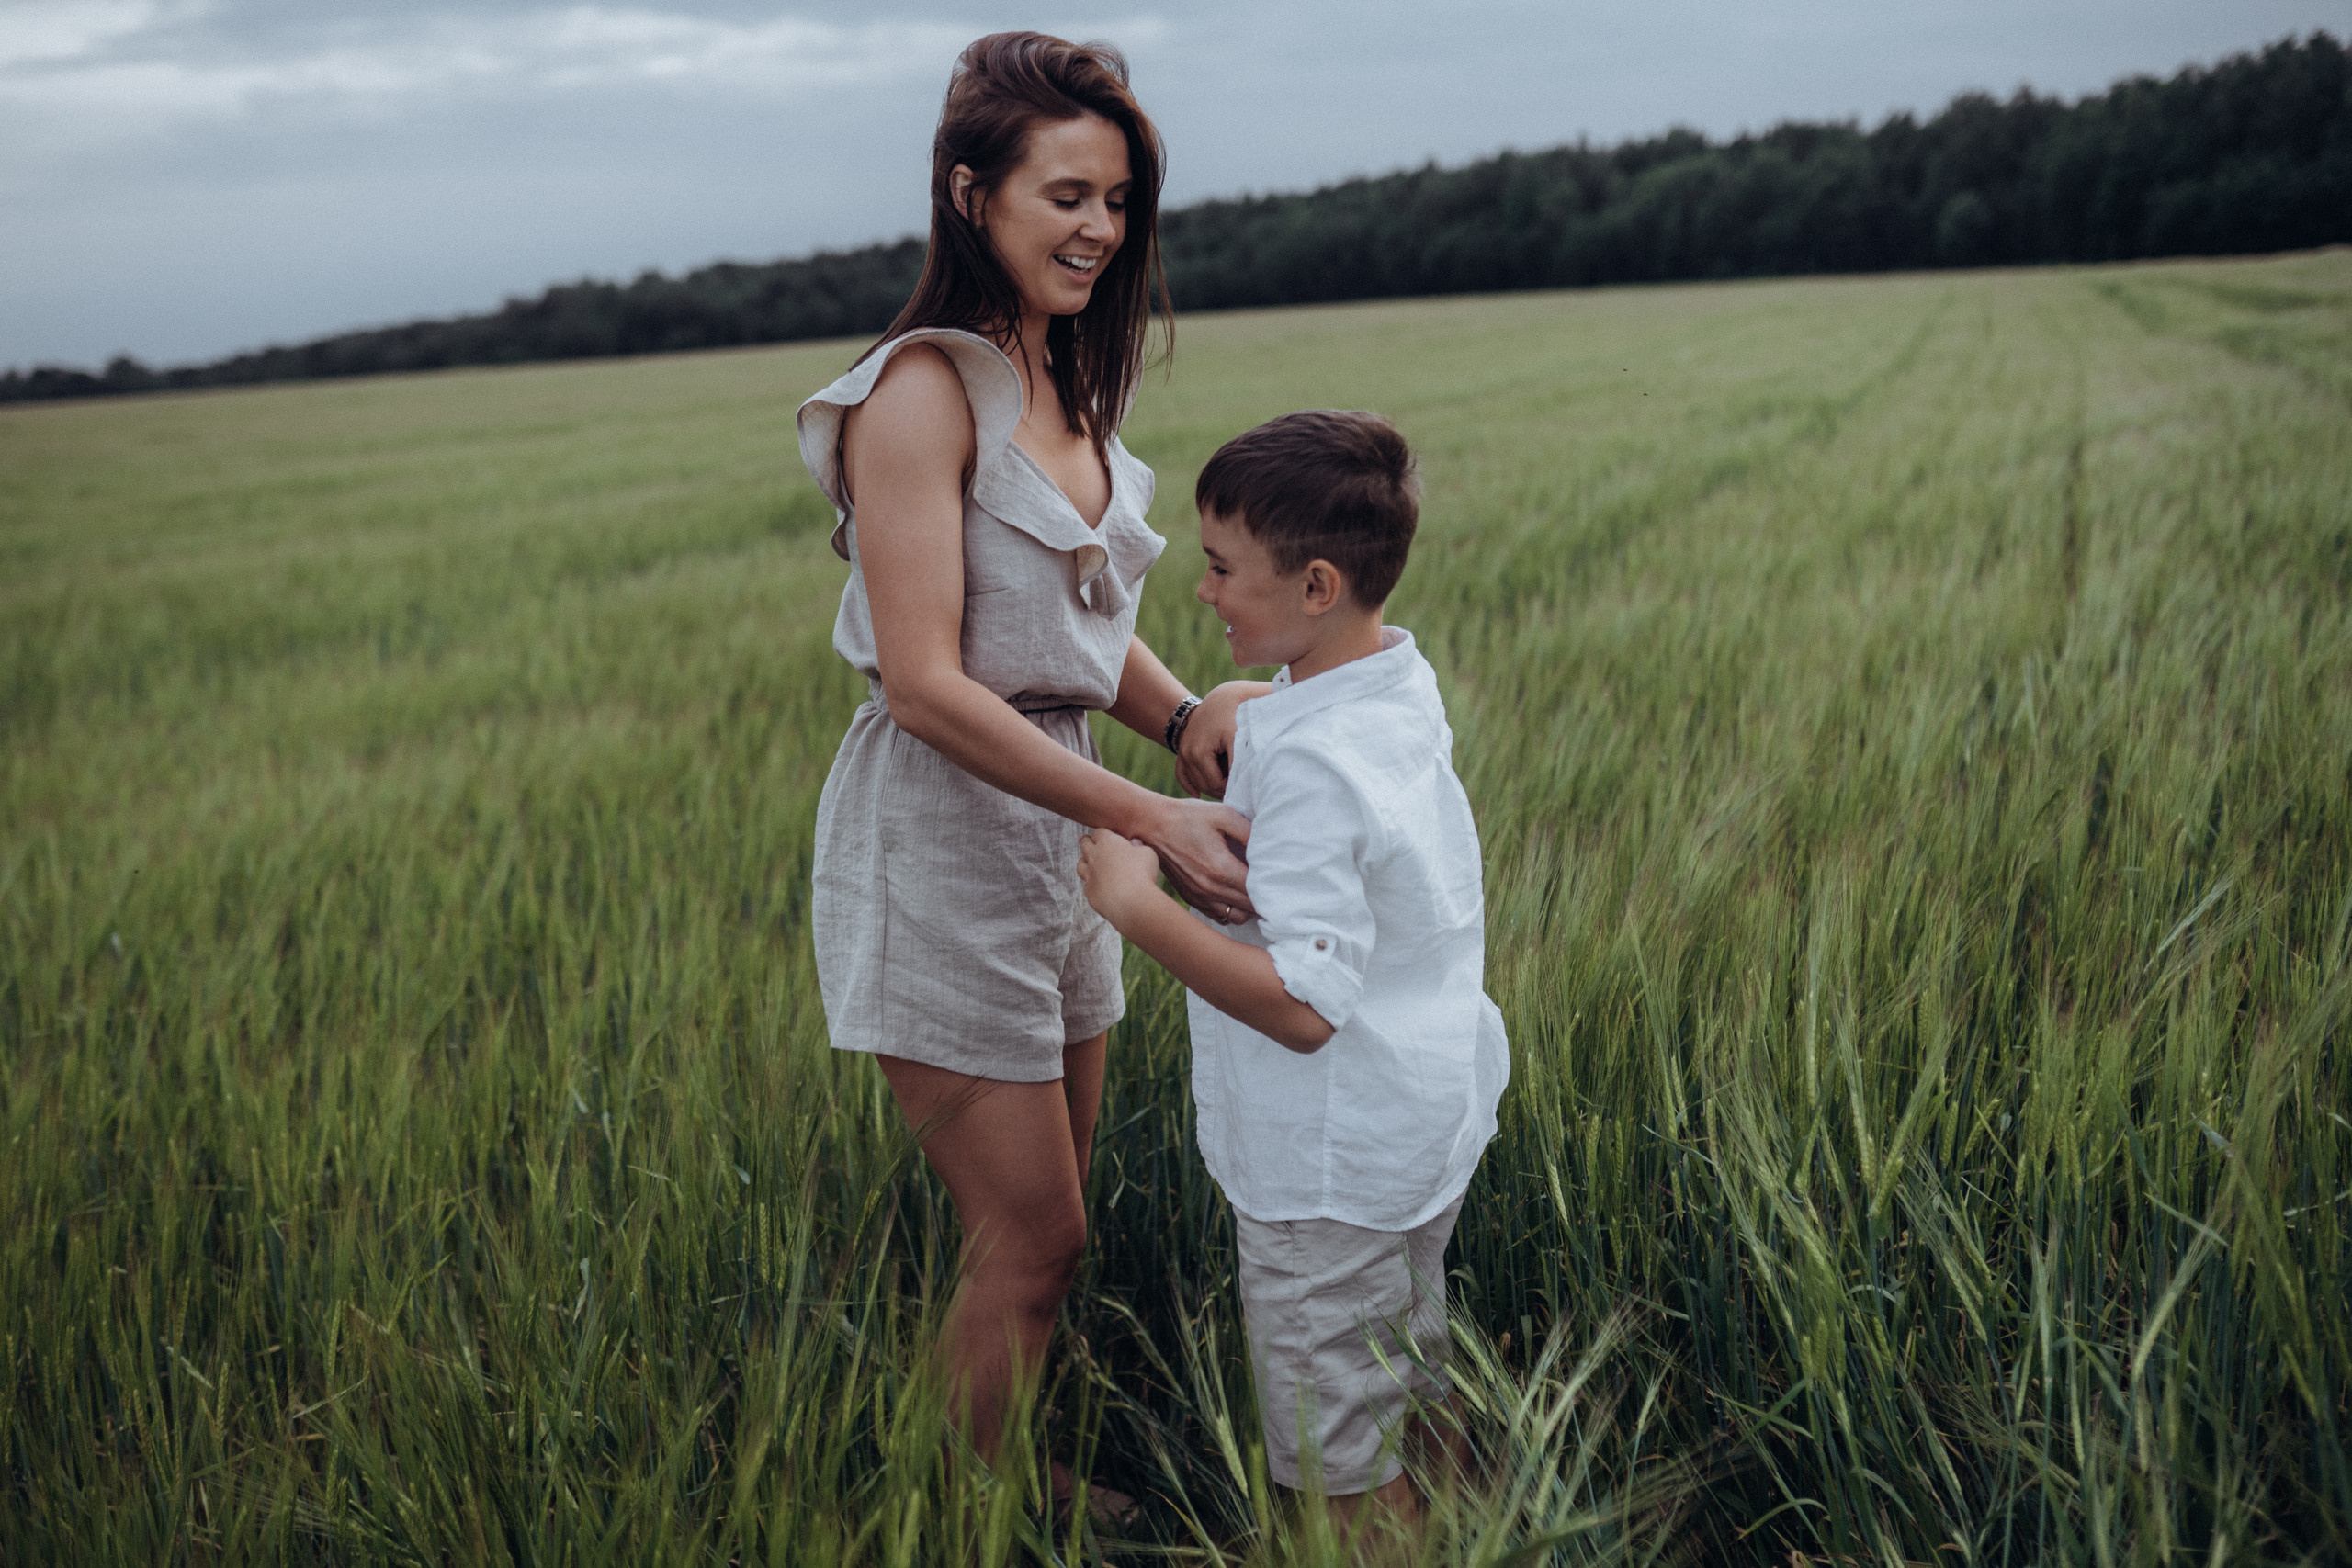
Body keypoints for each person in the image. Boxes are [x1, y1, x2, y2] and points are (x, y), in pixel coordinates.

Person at [792, 32, 1258, 1492]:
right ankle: (954, 1511)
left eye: (1118, 202)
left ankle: (1014, 1484)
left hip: (1063, 834)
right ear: (968, 192)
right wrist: (1152, 812)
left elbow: (1068, 630)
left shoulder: (1063, 377)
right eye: (1066, 194)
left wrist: (1189, 720)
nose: (1099, 231)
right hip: (942, 838)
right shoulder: (923, 390)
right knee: (1033, 1234)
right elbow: (929, 683)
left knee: (1058, 1229)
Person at [1077, 411, 1510, 1538]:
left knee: (1333, 1469)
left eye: (1223, 570)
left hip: (1325, 1171)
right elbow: (1331, 737)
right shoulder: (1387, 683)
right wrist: (1237, 700)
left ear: (1316, 586)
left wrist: (1136, 906)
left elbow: (1306, 1009)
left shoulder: (1314, 766)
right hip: (1412, 1131)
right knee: (1409, 1378)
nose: (1205, 593)